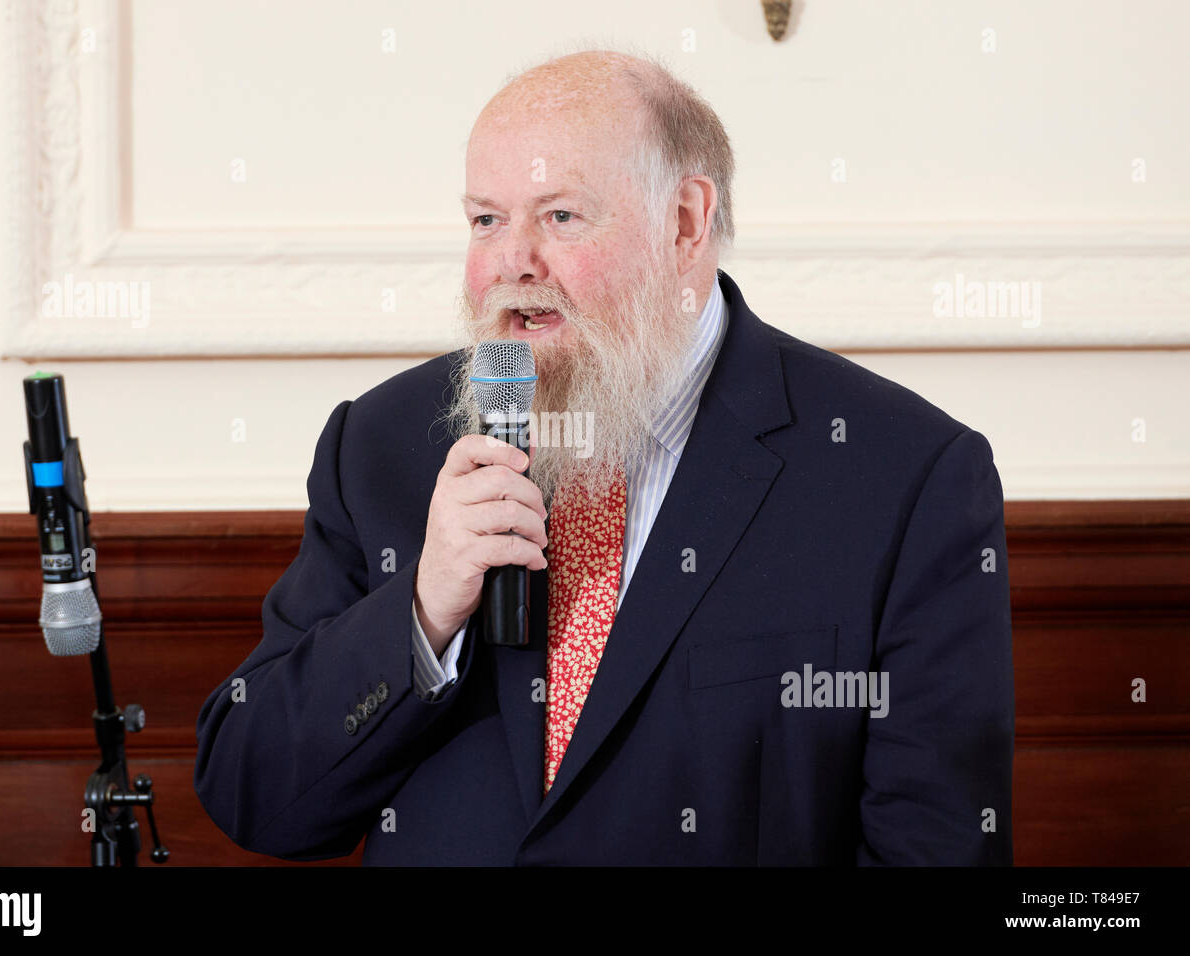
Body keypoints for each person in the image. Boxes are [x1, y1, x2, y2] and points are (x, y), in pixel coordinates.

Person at [194, 49, 1014, 865]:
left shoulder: (905, 477)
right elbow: (253, 795)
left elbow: (937, 850)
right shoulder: (379, 445)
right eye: (486, 220)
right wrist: (421, 611)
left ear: (686, 222)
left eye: (560, 217)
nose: (514, 263)